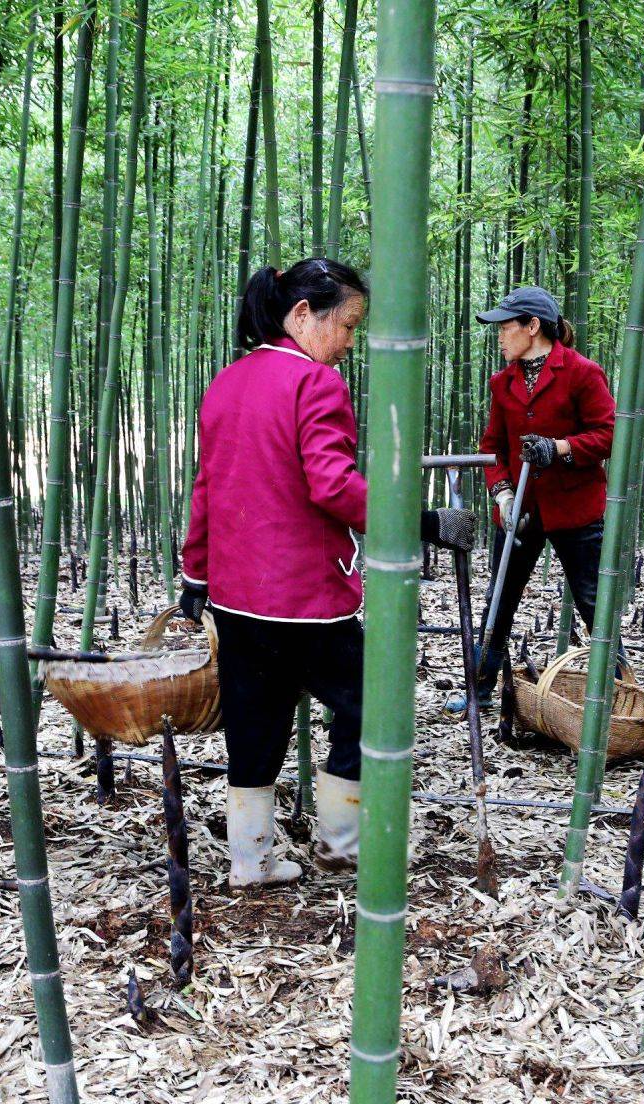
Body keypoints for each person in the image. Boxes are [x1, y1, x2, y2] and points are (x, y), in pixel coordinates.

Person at [178, 259, 475, 887]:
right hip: (306, 597)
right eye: (347, 325)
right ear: (302, 314)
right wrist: (419, 521)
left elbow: (207, 488)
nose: (348, 343)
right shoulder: (315, 383)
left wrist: (196, 574)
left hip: (237, 596)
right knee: (371, 705)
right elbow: (333, 485)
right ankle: (341, 846)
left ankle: (250, 860)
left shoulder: (226, 382)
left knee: (254, 723)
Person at [449, 285, 615, 712]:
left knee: (593, 601)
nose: (500, 337)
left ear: (532, 326)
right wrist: (502, 494)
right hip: (520, 507)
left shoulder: (582, 372)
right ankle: (479, 689)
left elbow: (607, 435)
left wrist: (559, 448)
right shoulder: (502, 382)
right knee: (500, 598)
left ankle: (619, 693)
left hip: (574, 508)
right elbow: (492, 447)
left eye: (505, 327)